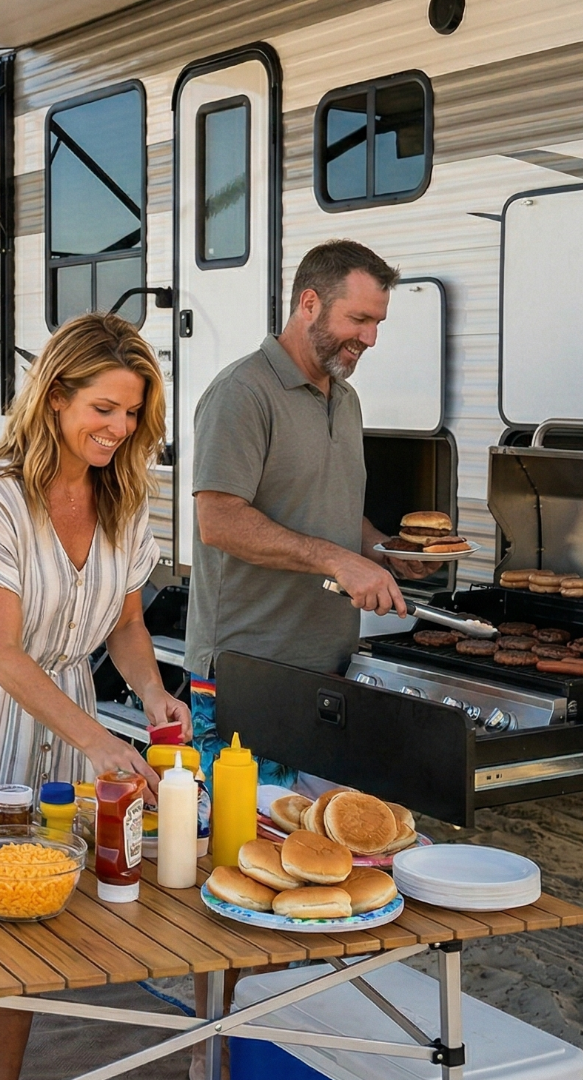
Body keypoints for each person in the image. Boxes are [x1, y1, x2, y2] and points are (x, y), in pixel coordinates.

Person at [0, 312, 190, 1080]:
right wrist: (99, 739)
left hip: (62, 717)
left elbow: (124, 621)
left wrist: (153, 693)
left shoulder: (122, 495)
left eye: (132, 413)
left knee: (25, 924)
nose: (120, 428)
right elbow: (1, 652)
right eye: (105, 409)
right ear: (55, 396)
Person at [184, 238, 434, 783]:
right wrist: (336, 561)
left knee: (320, 852)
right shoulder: (242, 392)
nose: (370, 338)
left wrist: (383, 550)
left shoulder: (344, 399)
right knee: (243, 850)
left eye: (378, 324)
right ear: (310, 303)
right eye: (360, 319)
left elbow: (332, 509)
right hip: (248, 677)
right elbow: (218, 521)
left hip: (330, 669)